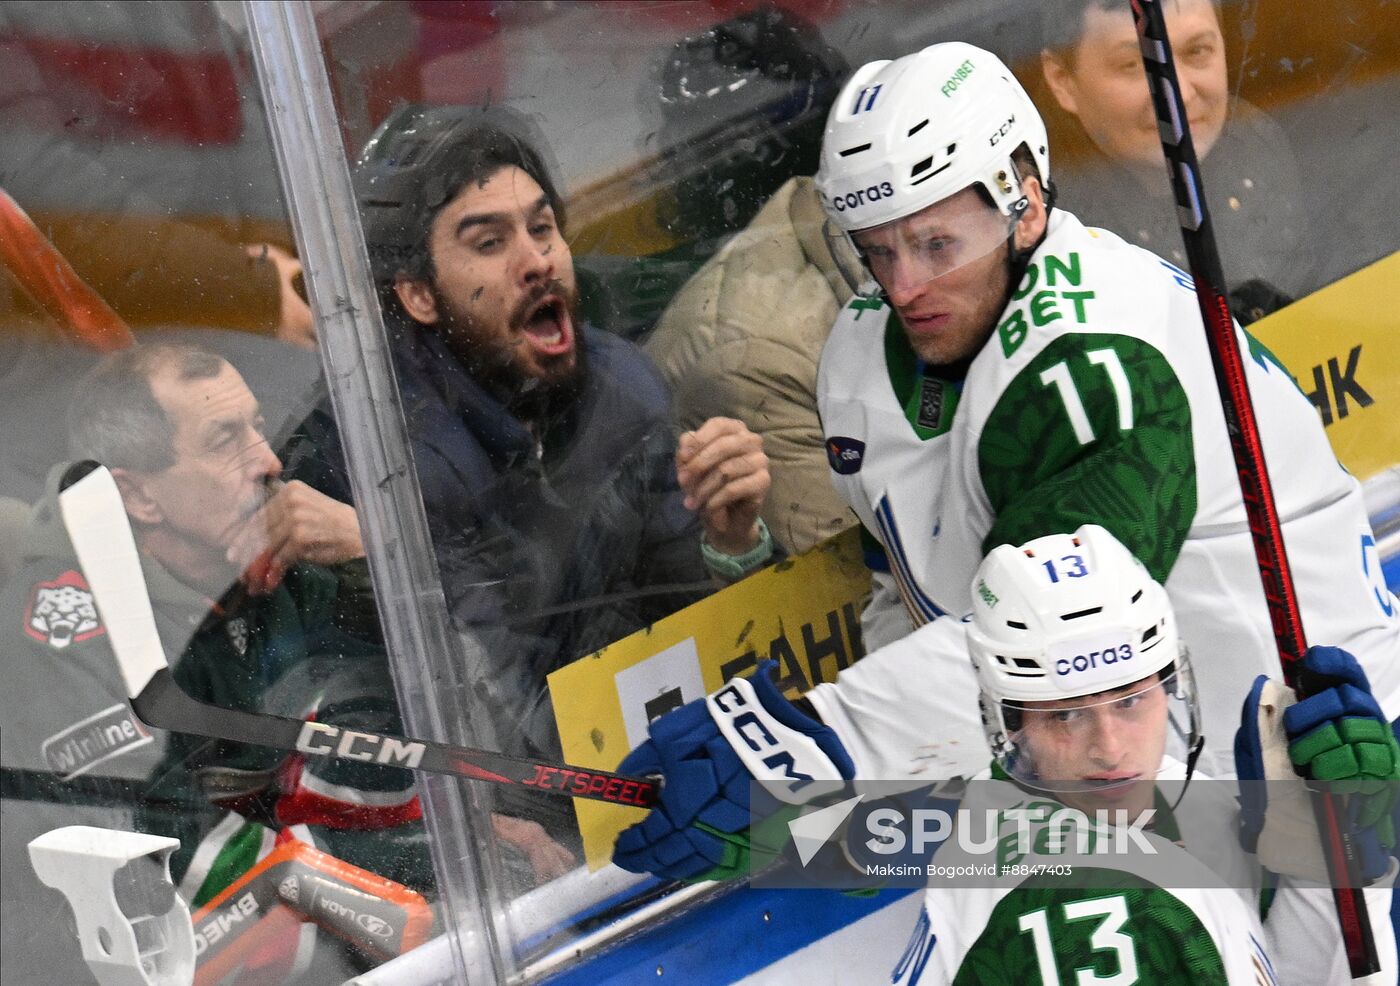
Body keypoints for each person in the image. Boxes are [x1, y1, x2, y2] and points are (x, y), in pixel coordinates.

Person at [608, 41, 1399, 890]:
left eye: (937, 243)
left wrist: (810, 743)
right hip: (1132, 793)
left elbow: (1061, 635)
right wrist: (878, 774)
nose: (904, 285)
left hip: (1316, 782)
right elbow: (912, 594)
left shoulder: (1098, 356)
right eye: (878, 249)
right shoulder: (864, 358)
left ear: (1023, 204)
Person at [353, 105, 775, 774]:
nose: (537, 262)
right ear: (419, 297)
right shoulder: (393, 468)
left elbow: (696, 639)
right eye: (490, 243)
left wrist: (732, 549)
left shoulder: (624, 388)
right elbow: (518, 730)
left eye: (543, 228)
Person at [0, 342, 438, 983]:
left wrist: (373, 559)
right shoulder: (61, 631)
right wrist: (420, 900)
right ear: (140, 498)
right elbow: (168, 874)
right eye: (224, 439)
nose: (268, 460)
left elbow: (439, 718)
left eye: (259, 426)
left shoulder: (288, 561)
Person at [895, 527, 1397, 985]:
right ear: (1012, 726)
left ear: (1169, 687)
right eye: (1065, 716)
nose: (1110, 751)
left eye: (1130, 700)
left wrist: (1332, 865)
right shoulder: (1076, 900)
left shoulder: (1183, 801)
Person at [1038, 0, 1311, 322]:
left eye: (1197, 51)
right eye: (1135, 64)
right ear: (1062, 80)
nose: (1179, 93)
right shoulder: (1045, 231)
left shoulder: (1257, 141)